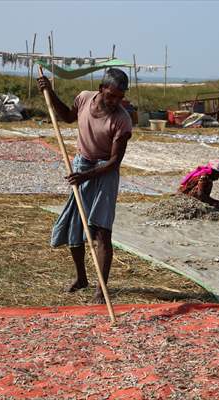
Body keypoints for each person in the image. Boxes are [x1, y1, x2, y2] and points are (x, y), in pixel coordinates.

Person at [37, 68, 133, 303]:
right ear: (101, 89)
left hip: (104, 171)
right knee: (75, 226)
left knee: (102, 231)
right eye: (111, 96)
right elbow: (69, 117)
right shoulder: (83, 98)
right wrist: (50, 92)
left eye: (120, 97)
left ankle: (101, 291)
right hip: (82, 165)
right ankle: (82, 278)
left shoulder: (122, 120)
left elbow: (114, 162)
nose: (115, 101)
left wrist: (86, 176)